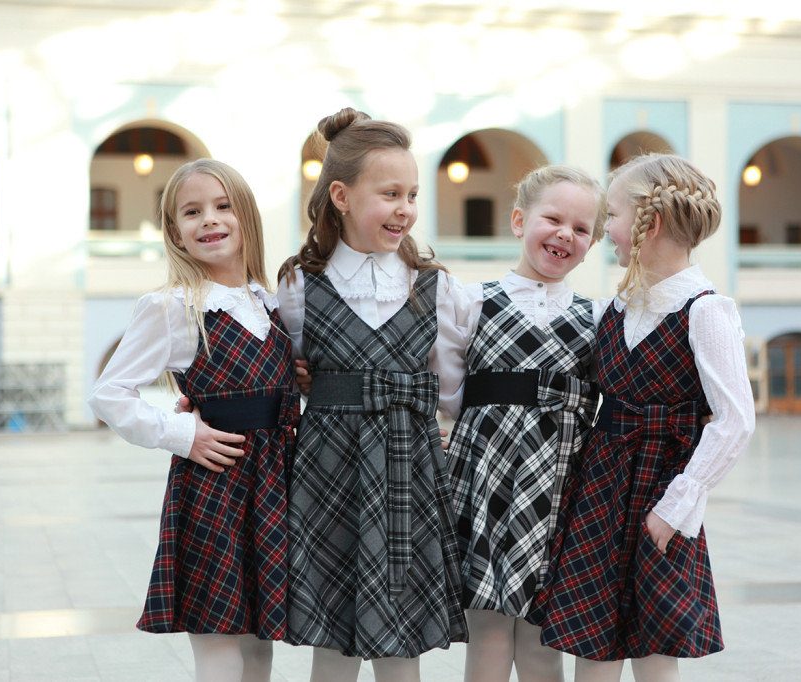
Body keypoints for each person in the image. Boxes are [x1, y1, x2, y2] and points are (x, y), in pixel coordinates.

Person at [531, 153, 756, 682]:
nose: (604, 229)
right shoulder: (616, 310)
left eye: (611, 215)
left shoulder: (705, 310)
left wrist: (677, 506)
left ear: (647, 225)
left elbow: (735, 420)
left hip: (661, 490)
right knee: (592, 638)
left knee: (655, 646)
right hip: (600, 486)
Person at [275, 107, 469, 682]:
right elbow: (280, 369)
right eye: (390, 194)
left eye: (412, 195)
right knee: (332, 640)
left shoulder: (436, 287)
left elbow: (454, 390)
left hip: (410, 466)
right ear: (341, 195)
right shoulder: (298, 286)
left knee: (400, 641)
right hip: (328, 470)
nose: (406, 208)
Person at [88, 159, 298, 682]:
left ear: (247, 216)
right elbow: (109, 394)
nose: (210, 219)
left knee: (259, 647)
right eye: (192, 211)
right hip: (214, 488)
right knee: (218, 644)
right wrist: (182, 433)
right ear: (174, 230)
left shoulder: (273, 306)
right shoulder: (173, 307)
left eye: (223, 206)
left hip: (276, 489)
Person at [446, 164, 607, 682]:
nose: (565, 234)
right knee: (489, 628)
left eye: (581, 229)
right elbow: (447, 390)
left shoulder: (596, 317)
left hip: (559, 481)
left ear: (592, 243)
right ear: (519, 221)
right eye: (553, 219)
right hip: (485, 474)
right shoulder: (471, 302)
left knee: (542, 633)